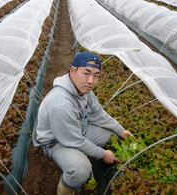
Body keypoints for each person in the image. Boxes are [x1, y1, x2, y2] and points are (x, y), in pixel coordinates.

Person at [33, 51, 133, 195]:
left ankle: (97, 165)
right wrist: (103, 154)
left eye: (96, 75)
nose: (91, 81)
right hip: (55, 141)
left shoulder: (84, 90)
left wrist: (121, 130)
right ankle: (66, 191)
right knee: (81, 169)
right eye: (86, 73)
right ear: (72, 71)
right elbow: (74, 140)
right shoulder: (60, 103)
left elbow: (98, 114)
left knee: (112, 137)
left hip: (78, 129)